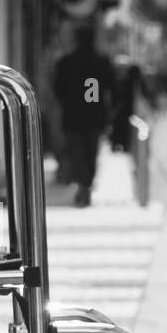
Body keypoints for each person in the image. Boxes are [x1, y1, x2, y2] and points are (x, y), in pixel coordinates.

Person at [53, 23, 114, 207]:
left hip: (73, 116)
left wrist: (71, 101)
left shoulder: (66, 62)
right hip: (93, 115)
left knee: (77, 152)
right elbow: (108, 88)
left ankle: (83, 184)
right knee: (91, 152)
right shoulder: (101, 61)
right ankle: (86, 184)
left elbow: (59, 90)